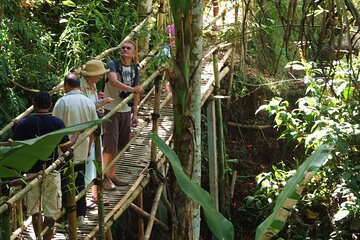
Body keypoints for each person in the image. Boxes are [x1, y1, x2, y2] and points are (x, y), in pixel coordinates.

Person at [3, 91, 73, 240]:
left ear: (34, 105)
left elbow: (10, 145)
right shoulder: (58, 123)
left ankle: (39, 238)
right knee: (50, 213)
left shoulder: (25, 123)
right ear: (51, 105)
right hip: (51, 170)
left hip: (30, 173)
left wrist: (16, 128)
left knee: (35, 211)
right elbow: (66, 150)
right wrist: (78, 135)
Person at [52, 73, 98, 225]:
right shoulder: (88, 102)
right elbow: (94, 127)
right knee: (79, 180)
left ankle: (66, 216)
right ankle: (80, 214)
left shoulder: (62, 102)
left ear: (66, 85)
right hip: (83, 147)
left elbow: (55, 127)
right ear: (79, 85)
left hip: (64, 150)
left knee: (64, 182)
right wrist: (90, 145)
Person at [102, 39, 144, 190]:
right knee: (110, 146)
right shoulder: (112, 64)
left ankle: (111, 173)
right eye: (123, 48)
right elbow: (113, 82)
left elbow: (136, 91)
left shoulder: (134, 69)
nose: (125, 50)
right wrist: (133, 90)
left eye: (128, 48)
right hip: (111, 110)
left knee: (121, 145)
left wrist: (135, 114)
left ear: (133, 53)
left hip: (125, 111)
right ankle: (104, 177)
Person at [79, 59, 112, 208]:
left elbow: (92, 106)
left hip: (94, 126)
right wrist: (101, 103)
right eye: (98, 75)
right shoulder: (81, 87)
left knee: (95, 160)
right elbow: (84, 106)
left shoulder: (92, 85)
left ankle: (95, 195)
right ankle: (86, 197)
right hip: (85, 129)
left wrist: (102, 103)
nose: (100, 77)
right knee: (87, 161)